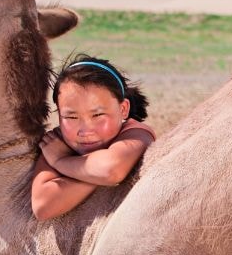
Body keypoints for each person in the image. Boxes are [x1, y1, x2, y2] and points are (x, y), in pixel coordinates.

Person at [31, 55, 155, 221]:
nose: (85, 131)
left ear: (123, 109)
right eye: (71, 117)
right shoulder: (56, 143)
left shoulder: (137, 133)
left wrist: (61, 161)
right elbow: (43, 206)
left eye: (97, 115)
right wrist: (96, 175)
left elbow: (111, 170)